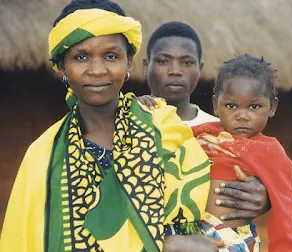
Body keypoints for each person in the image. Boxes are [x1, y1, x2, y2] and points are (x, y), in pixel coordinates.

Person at [0, 1, 222, 251]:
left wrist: (263, 195)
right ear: (62, 67)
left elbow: (214, 202)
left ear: (129, 63)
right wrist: (165, 241)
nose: (97, 70)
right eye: (81, 57)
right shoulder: (42, 156)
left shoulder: (164, 127)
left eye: (111, 56)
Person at [140, 21, 270, 223]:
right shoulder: (128, 121)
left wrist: (265, 197)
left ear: (200, 68)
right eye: (163, 61)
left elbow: (262, 170)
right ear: (145, 65)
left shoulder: (222, 131)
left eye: (187, 62)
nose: (175, 70)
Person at [193, 54, 292, 251]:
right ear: (216, 105)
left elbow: (284, 213)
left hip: (233, 241)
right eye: (231, 106)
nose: (242, 116)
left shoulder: (271, 152)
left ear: (272, 107)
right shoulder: (204, 133)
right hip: (192, 236)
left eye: (254, 106)